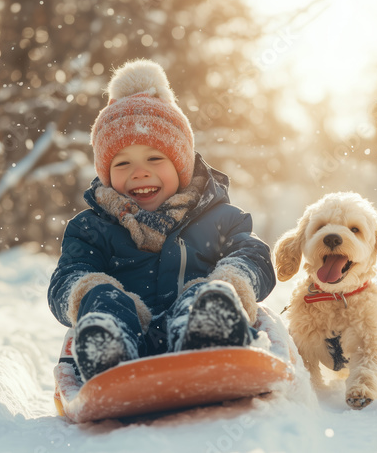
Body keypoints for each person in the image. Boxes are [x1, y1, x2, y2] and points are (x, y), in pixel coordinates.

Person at [47, 59, 275, 381]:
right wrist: (85, 291)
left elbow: (254, 255)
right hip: (125, 334)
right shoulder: (91, 229)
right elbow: (68, 275)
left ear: (181, 166)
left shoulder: (221, 218)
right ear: (106, 174)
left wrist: (232, 280)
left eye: (155, 158)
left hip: (194, 322)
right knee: (100, 297)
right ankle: (106, 346)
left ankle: (211, 333)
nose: (139, 172)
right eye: (122, 163)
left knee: (208, 293)